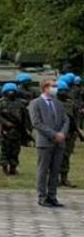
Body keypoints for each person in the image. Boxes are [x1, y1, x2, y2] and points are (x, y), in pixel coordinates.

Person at [29, 76, 70, 208]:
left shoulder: (58, 103)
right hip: (45, 142)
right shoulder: (35, 103)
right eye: (53, 86)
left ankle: (52, 196)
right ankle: (42, 196)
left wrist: (62, 133)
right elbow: (36, 123)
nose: (56, 89)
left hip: (59, 142)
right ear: (45, 88)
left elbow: (66, 120)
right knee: (43, 170)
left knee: (55, 170)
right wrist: (53, 134)